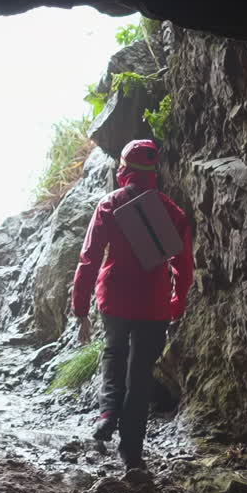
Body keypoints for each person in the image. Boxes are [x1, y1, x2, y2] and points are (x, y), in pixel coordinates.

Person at [71, 138, 193, 475]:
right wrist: (177, 302)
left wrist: (80, 306)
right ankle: (132, 455)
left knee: (113, 352)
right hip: (154, 304)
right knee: (140, 376)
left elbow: (88, 259)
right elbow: (184, 266)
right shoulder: (173, 211)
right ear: (155, 171)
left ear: (123, 168)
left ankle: (108, 412)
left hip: (115, 298)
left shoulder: (110, 205)